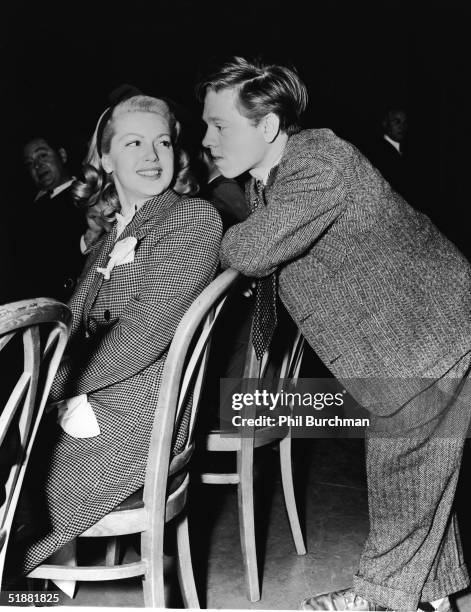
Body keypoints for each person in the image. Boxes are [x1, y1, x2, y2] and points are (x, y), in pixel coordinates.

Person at [197, 57, 471, 612]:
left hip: (427, 335)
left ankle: (381, 599)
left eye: (219, 126)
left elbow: (249, 250)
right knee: (417, 471)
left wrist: (204, 225)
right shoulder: (271, 180)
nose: (205, 139)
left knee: (402, 466)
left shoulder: (321, 159)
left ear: (267, 127)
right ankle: (434, 594)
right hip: (411, 338)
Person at [7, 93, 222, 579]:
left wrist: (48, 393)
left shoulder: (191, 219)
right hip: (96, 403)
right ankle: (36, 595)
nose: (152, 155)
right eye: (134, 143)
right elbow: (76, 330)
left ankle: (30, 591)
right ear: (104, 158)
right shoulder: (111, 236)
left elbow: (145, 333)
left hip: (133, 418)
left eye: (163, 142)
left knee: (15, 486)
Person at [19, 134, 88, 301]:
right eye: (30, 163)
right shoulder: (26, 212)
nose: (37, 165)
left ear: (62, 155)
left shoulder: (87, 195)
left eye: (42, 155)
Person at [366, 106, 411, 201]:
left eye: (405, 122)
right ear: (385, 123)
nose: (402, 127)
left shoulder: (406, 150)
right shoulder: (377, 152)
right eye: (397, 122)